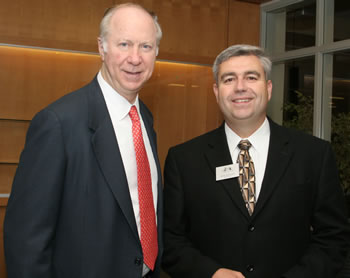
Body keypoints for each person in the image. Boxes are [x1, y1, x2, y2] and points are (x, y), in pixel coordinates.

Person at [162, 44, 349, 278]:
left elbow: (333, 238)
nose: (240, 87)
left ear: (268, 88)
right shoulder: (184, 160)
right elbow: (170, 241)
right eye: (229, 79)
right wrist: (211, 273)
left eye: (251, 77)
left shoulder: (313, 154)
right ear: (217, 91)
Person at [4, 3, 163, 278]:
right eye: (124, 44)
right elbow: (26, 242)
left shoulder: (145, 118)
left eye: (145, 47)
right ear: (101, 47)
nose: (135, 58)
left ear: (157, 52)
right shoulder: (58, 124)